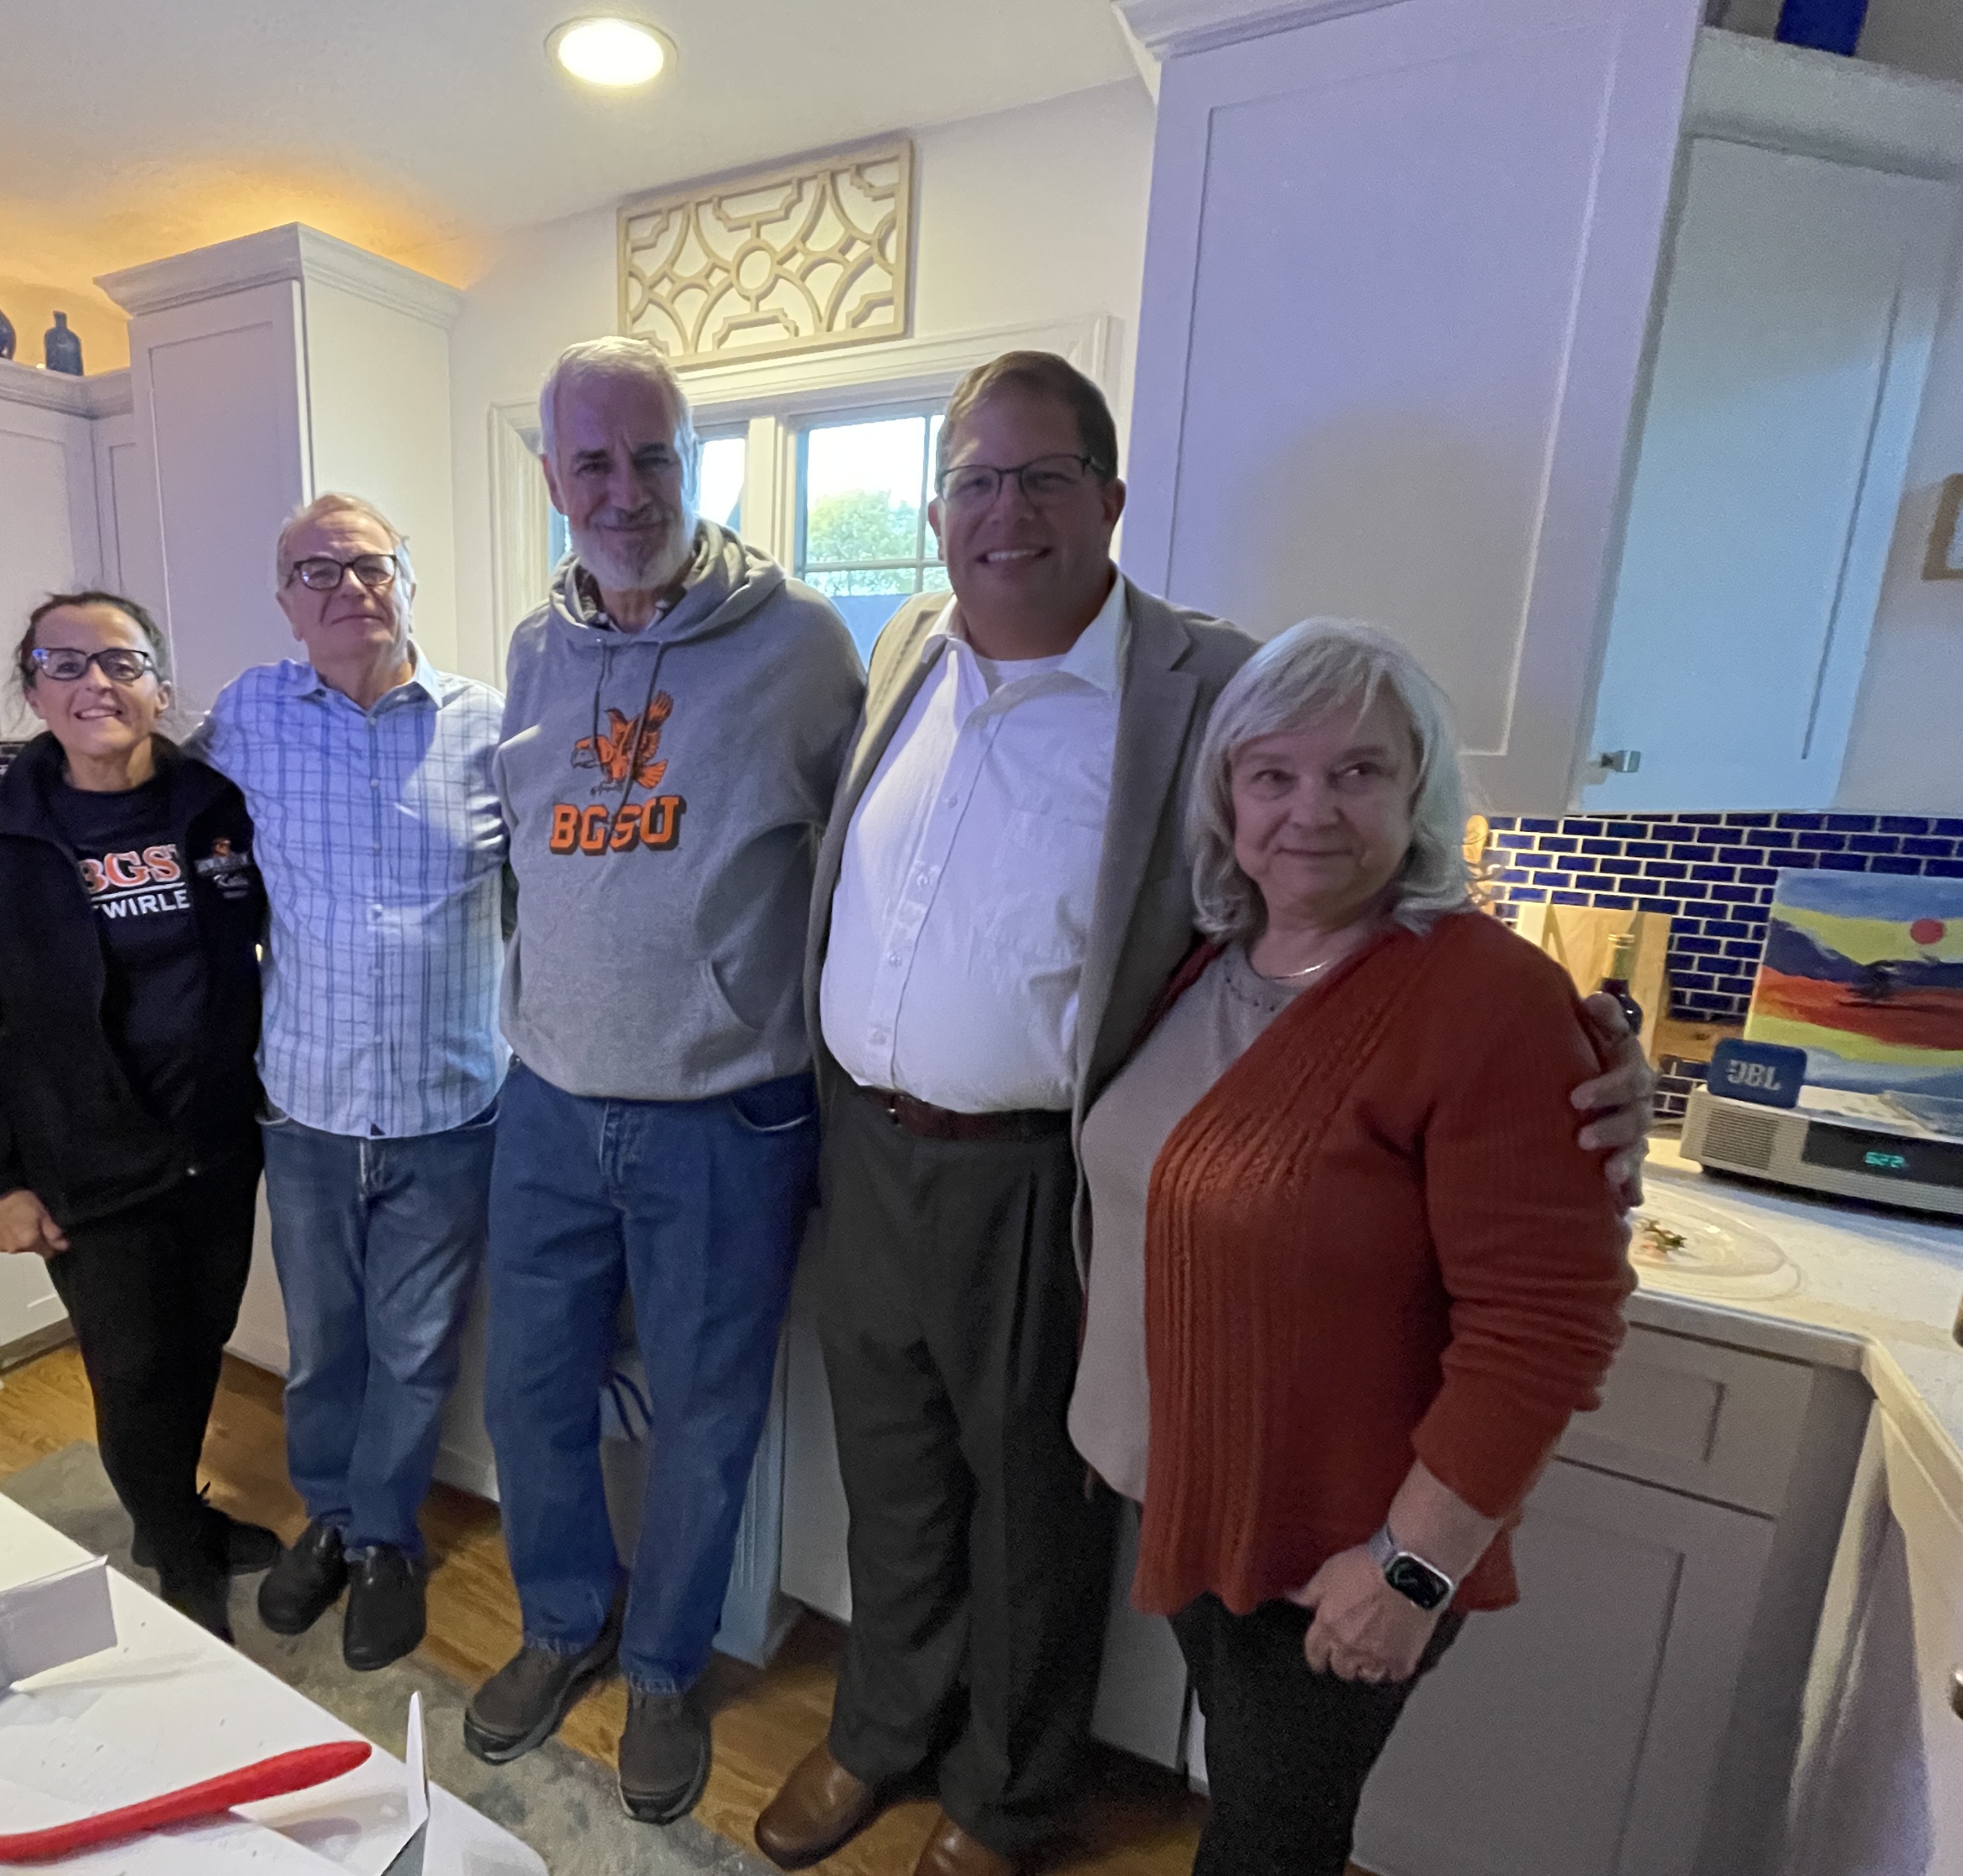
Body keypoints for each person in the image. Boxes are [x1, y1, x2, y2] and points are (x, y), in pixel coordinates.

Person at [761, 352, 1654, 1876]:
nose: (1008, 510)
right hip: (869, 1147)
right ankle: (879, 1729)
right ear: (936, 510)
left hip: (1050, 1172)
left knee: (1036, 1515)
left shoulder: (1210, 683)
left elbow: (1357, 854)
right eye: (977, 479)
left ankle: (1008, 1793)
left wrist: (1590, 1033)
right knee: (895, 1476)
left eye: (1045, 477)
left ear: (1110, 501)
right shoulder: (909, 646)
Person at [1070, 617, 1633, 1873]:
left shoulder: (1481, 995)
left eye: (1358, 771)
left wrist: (1414, 1570)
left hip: (1339, 1548)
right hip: (1204, 1514)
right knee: (1258, 1798)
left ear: (1419, 787)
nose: (1309, 810)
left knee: (1273, 1841)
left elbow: (1547, 1326)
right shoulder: (1218, 961)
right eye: (1272, 774)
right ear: (1227, 795)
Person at [0, 496, 507, 1675]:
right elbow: (87, 768)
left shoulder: (484, 729)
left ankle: (383, 1537)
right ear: (285, 600)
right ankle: (309, 1522)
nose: (346, 588)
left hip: (432, 1111)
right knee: (319, 1345)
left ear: (407, 581)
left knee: (414, 1343)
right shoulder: (246, 724)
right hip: (292, 1115)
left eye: (368, 565)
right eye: (314, 571)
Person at [466, 336, 865, 1826]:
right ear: (552, 474)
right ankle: (564, 1624)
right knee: (530, 1393)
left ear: (694, 462)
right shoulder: (532, 649)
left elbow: (859, 867)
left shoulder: (804, 645)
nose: (623, 491)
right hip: (551, 1101)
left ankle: (664, 1666)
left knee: (707, 1416)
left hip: (728, 1114)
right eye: (592, 462)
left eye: (653, 459)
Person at [0, 591, 270, 1640]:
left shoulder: (217, 807)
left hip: (214, 1144)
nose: (94, 684)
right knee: (134, 1367)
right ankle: (178, 1550)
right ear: (32, 690)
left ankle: (170, 1515)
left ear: (159, 687)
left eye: (120, 662)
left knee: (198, 1344)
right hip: (84, 1157)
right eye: (63, 664)